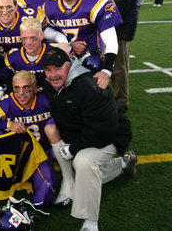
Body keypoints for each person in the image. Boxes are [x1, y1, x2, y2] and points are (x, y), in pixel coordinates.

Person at [37, 47, 136, 231]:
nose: (52, 75)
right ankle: (122, 164)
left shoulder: (90, 86)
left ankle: (91, 223)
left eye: (57, 68)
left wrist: (74, 149)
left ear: (70, 65)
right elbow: (32, 79)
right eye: (48, 69)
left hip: (110, 134)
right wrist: (4, 87)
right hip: (83, 133)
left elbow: (102, 129)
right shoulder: (49, 80)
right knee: (54, 133)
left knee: (83, 163)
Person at [0, 71, 58, 208]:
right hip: (14, 155)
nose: (21, 93)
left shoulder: (45, 99)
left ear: (36, 88)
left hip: (39, 154)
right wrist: (7, 124)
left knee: (44, 199)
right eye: (17, 88)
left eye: (27, 88)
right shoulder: (6, 102)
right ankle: (1, 170)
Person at [43, 0, 122, 88]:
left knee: (95, 64)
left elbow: (111, 40)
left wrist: (106, 71)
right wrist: (67, 42)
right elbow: (44, 30)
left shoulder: (94, 3)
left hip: (91, 53)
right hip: (66, 52)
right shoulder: (51, 5)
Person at [106, 0, 142, 111]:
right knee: (118, 65)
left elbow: (120, 4)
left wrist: (105, 14)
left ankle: (120, 102)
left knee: (119, 66)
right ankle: (118, 98)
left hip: (120, 28)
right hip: (120, 27)